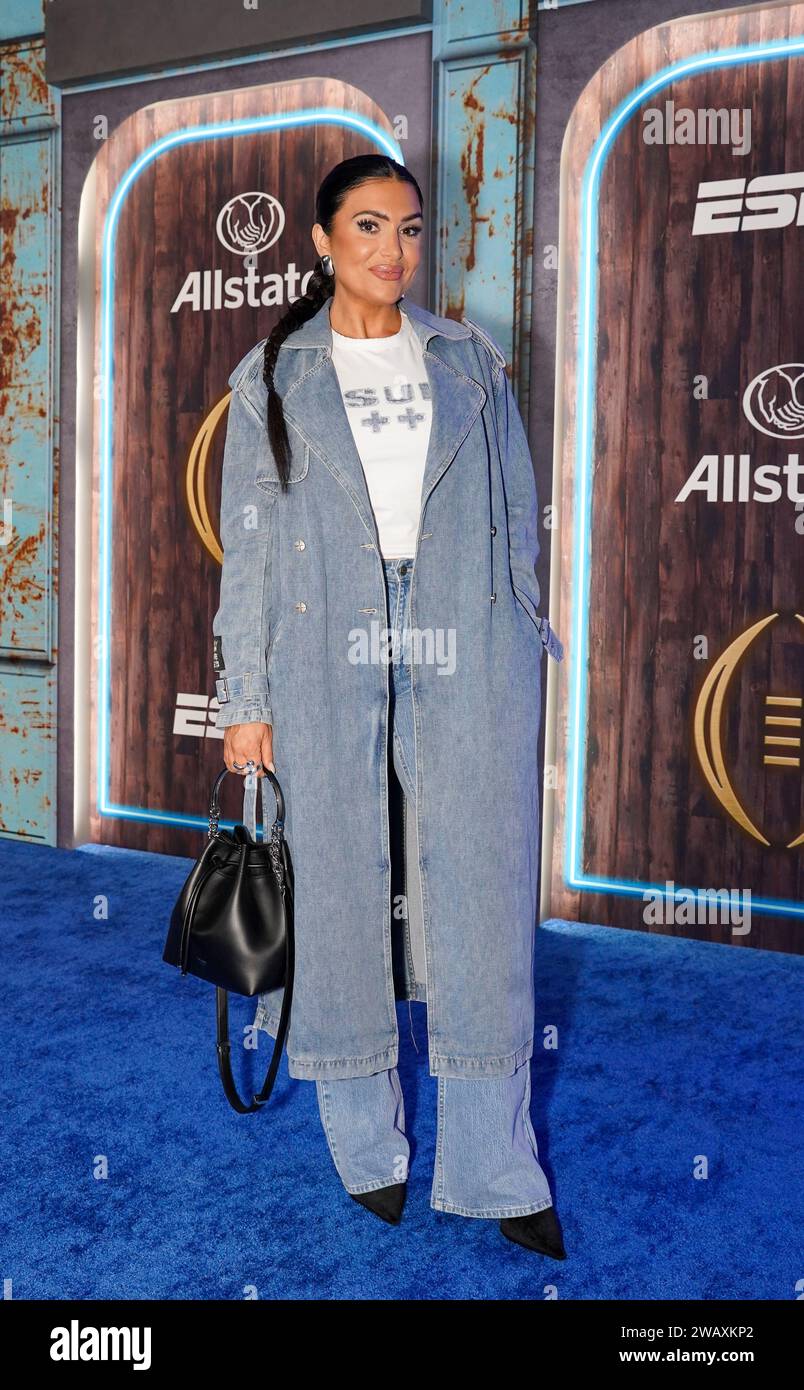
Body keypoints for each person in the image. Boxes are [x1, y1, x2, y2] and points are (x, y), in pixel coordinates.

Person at [213, 153, 567, 1259]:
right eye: (366, 228)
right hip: (322, 637)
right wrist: (245, 696)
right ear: (320, 242)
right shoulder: (269, 378)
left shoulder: (470, 361)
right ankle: (369, 1152)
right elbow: (250, 552)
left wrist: (520, 631)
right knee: (337, 887)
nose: (392, 252)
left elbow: (519, 524)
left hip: (465, 636)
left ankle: (498, 1165)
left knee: (480, 893)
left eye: (409, 230)